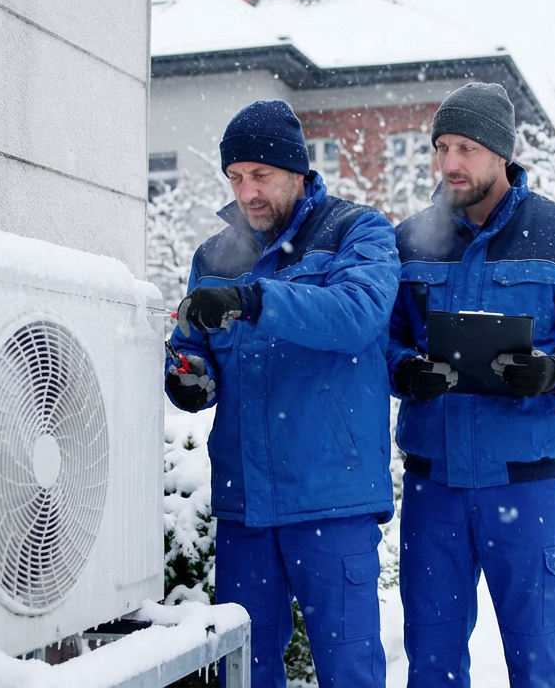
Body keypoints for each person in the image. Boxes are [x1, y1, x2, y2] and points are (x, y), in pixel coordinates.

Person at [388, 82, 555, 687]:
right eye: (441, 146)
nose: (449, 163)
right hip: (433, 486)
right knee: (432, 664)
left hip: (524, 489)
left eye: (465, 147)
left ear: (501, 153)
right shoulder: (411, 240)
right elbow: (383, 343)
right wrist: (405, 370)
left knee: (541, 664)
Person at [164, 99, 400, 688]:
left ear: (297, 172)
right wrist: (188, 375)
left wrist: (253, 300)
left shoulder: (357, 230)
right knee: (243, 673)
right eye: (236, 178)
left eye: (261, 176)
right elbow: (193, 346)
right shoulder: (214, 257)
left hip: (330, 497)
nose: (247, 193)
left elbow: (358, 314)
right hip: (247, 505)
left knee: (349, 671)